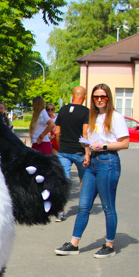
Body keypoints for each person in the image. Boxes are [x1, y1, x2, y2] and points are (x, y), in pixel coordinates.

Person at [55, 83, 129, 258]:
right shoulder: (93, 116)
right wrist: (87, 151)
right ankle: (74, 243)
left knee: (108, 207)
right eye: (96, 97)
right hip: (93, 162)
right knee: (83, 205)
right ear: (92, 98)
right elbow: (90, 138)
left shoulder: (116, 117)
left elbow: (125, 143)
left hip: (108, 162)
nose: (100, 100)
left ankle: (109, 244)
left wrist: (103, 145)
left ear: (109, 98)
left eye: (103, 97)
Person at [52, 86, 90, 221]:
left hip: (64, 151)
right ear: (84, 97)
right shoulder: (86, 112)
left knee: (64, 181)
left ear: (72, 95)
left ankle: (60, 211)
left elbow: (57, 132)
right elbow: (85, 133)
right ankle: (83, 208)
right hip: (79, 150)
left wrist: (60, 144)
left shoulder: (62, 110)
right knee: (84, 179)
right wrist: (87, 151)